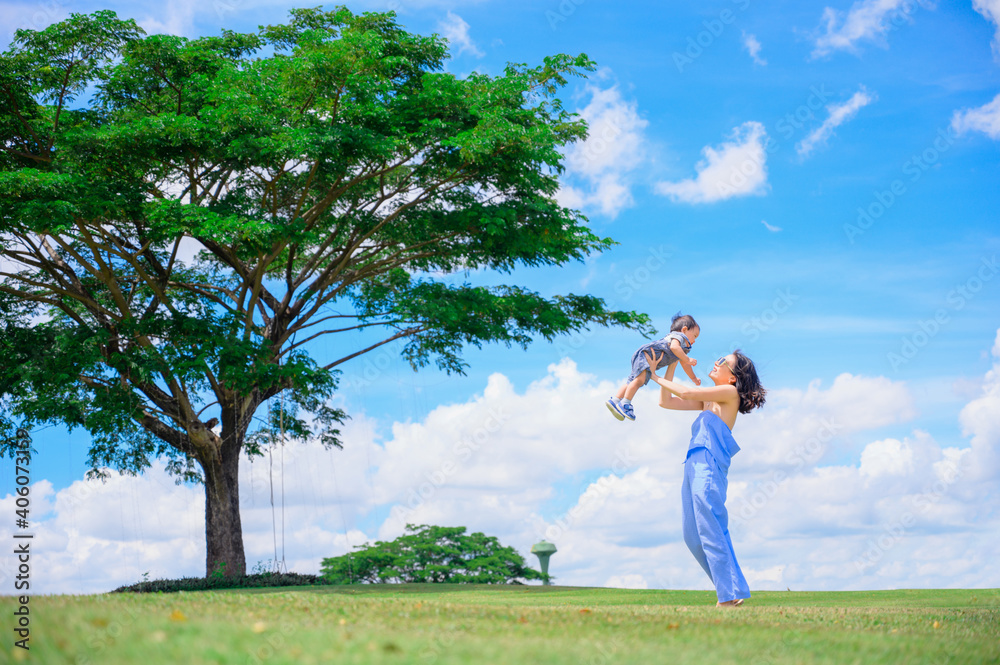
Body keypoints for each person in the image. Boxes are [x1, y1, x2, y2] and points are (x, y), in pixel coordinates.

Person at [645, 348, 766, 607]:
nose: (716, 361)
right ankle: (731, 589)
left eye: (723, 362)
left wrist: (652, 375)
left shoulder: (729, 394)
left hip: (709, 465)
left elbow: (686, 392)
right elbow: (666, 401)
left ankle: (729, 596)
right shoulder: (708, 402)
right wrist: (671, 364)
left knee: (711, 530)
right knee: (692, 536)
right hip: (693, 463)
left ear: (733, 377)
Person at [606, 313, 701, 422]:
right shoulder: (679, 337)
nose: (695, 340)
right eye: (695, 335)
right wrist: (688, 359)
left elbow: (684, 363)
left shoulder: (682, 348)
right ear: (684, 330)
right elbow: (675, 348)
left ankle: (616, 400)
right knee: (639, 381)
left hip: (643, 355)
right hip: (646, 355)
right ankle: (625, 404)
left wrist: (693, 377)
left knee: (631, 381)